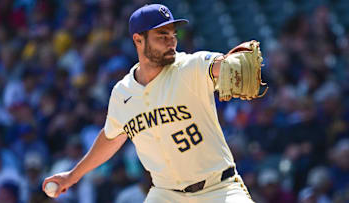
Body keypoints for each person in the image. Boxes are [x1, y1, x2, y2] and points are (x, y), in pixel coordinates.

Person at [43, 4, 260, 202]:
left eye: (173, 34)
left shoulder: (189, 67)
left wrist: (228, 64)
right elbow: (111, 138)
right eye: (161, 35)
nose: (171, 40)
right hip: (166, 194)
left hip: (218, 189)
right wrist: (73, 175)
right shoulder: (123, 92)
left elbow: (215, 65)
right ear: (138, 40)